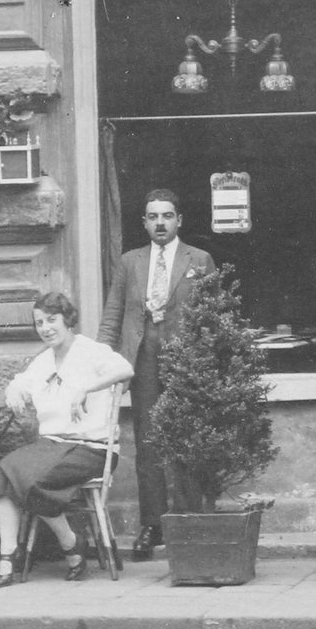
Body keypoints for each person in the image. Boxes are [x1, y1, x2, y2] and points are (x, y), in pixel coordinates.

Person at [0, 291, 133, 587]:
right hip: (53, 446)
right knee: (7, 468)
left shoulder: (90, 351)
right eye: (39, 322)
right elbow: (21, 382)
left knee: (34, 479)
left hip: (92, 448)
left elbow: (125, 369)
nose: (45, 328)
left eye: (51, 320)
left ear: (68, 320)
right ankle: (8, 556)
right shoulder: (43, 361)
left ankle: (70, 544)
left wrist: (88, 388)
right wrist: (13, 390)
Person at [98, 188, 212, 560]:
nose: (160, 223)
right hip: (142, 354)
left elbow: (212, 316)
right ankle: (152, 524)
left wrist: (206, 361)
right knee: (148, 440)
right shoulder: (130, 262)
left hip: (185, 358)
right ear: (144, 222)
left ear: (179, 220)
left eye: (167, 216)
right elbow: (113, 314)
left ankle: (188, 519)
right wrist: (103, 359)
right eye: (153, 217)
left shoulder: (200, 258)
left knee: (186, 437)